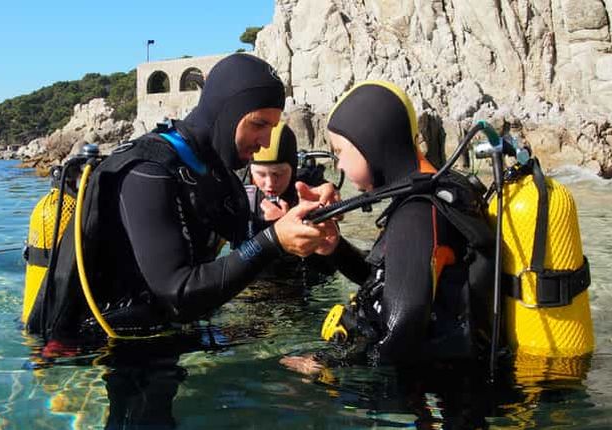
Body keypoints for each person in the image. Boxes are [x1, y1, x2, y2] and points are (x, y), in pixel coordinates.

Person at [25, 54, 338, 341]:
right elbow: (178, 293)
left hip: (164, 335)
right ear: (225, 111)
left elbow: (250, 244)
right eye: (258, 124)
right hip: (102, 348)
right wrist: (273, 240)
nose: (265, 140)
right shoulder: (147, 172)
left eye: (271, 126)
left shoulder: (216, 173)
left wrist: (310, 217)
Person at [283, 80, 494, 370]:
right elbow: (393, 281)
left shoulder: (418, 212)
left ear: (370, 140)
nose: (339, 165)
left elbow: (401, 327)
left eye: (341, 151)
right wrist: (336, 249)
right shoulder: (436, 193)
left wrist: (327, 364)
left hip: (444, 394)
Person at [243, 122, 338, 287]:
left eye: (278, 174)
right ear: (251, 173)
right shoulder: (240, 192)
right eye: (261, 174)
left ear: (293, 170)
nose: (269, 184)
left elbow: (328, 263)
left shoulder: (307, 188)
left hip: (302, 283)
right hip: (258, 283)